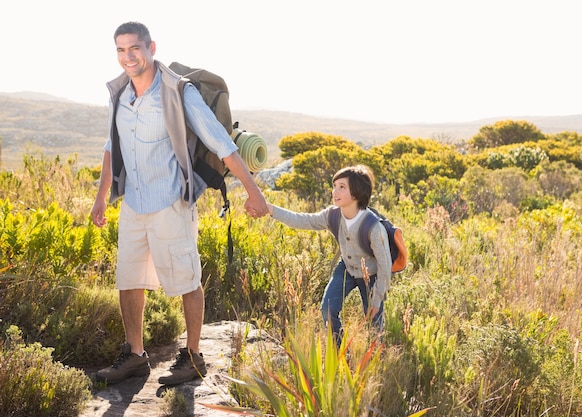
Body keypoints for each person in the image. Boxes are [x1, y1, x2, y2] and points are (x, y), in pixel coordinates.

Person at [90, 21, 267, 386]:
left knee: (186, 279)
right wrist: (100, 198)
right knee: (129, 279)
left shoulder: (178, 91)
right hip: (134, 204)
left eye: (134, 48)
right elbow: (112, 146)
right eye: (121, 50)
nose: (128, 56)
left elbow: (220, 141)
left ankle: (193, 356)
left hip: (171, 202)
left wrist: (254, 191)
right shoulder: (120, 94)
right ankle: (135, 356)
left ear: (151, 47)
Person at [266, 165, 391, 347]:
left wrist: (377, 298)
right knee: (328, 309)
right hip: (347, 268)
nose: (335, 191)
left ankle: (375, 358)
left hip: (372, 275)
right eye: (334, 186)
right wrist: (271, 209)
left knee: (374, 321)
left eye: (342, 187)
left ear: (356, 193)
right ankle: (339, 351)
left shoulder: (373, 226)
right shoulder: (332, 215)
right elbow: (303, 220)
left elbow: (385, 266)